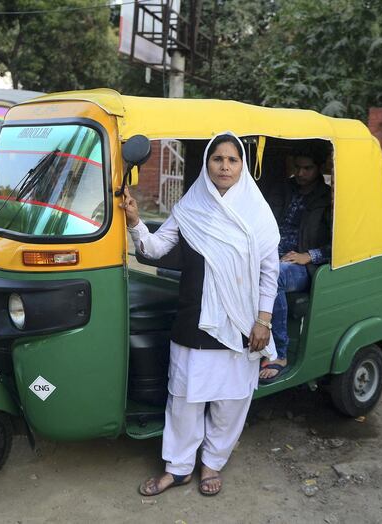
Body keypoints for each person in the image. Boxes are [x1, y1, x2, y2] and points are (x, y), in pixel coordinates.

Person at [121, 133, 280, 496]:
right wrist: (134, 221)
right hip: (194, 320)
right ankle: (178, 469)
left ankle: (212, 464)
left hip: (241, 324)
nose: (224, 166)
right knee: (184, 399)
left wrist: (263, 320)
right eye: (217, 159)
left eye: (232, 160)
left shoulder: (257, 214)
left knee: (230, 401)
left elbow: (269, 272)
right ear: (207, 164)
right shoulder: (189, 208)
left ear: (242, 167)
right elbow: (155, 248)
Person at [259, 144, 332, 383]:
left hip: (301, 267)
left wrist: (309, 255)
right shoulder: (284, 188)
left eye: (307, 168)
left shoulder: (328, 198)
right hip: (268, 254)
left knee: (275, 275)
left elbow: (340, 245)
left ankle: (279, 353)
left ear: (320, 168)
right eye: (297, 167)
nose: (300, 173)